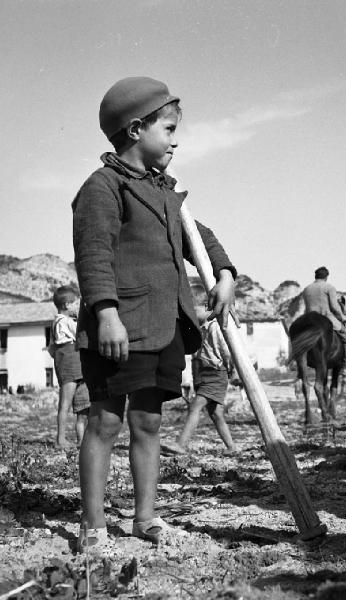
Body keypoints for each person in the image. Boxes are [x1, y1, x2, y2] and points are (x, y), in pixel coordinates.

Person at [72, 76, 237, 551]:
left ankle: (145, 517)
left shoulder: (165, 190)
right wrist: (105, 313)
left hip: (163, 328)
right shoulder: (102, 188)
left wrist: (223, 271)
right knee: (105, 421)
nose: (176, 139)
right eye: (167, 129)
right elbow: (94, 254)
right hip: (119, 328)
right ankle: (94, 524)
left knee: (148, 422)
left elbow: (198, 237)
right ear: (136, 129)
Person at [173, 305, 236, 453]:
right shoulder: (200, 329)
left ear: (208, 308)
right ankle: (231, 447)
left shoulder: (215, 327)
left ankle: (181, 445)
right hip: (202, 374)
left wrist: (231, 369)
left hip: (215, 373)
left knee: (195, 406)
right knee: (216, 414)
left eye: (195, 310)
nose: (192, 313)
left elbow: (225, 351)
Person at [49, 286, 90, 449]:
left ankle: (80, 439)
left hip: (75, 369)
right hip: (70, 369)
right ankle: (60, 439)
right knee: (65, 404)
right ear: (66, 305)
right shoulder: (64, 322)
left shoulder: (57, 323)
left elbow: (52, 349)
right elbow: (81, 334)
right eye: (75, 304)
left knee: (81, 405)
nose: (77, 308)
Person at [302, 266, 346, 372]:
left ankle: (297, 362)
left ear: (316, 276)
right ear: (326, 277)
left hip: (310, 321)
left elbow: (306, 308)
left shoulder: (306, 289)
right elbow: (334, 306)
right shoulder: (329, 287)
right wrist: (343, 317)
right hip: (326, 319)